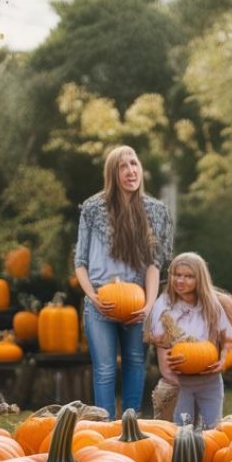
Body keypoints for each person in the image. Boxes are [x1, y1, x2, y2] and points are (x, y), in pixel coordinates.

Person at [74, 145, 173, 419]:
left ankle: (131, 424)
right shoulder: (93, 209)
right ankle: (103, 425)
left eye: (134, 164)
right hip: (100, 300)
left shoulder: (155, 211)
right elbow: (80, 261)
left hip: (137, 301)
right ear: (113, 173)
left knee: (135, 362)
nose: (131, 171)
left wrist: (149, 304)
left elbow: (155, 265)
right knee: (104, 369)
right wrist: (93, 296)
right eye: (123, 166)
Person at [144, 252, 232, 428]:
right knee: (183, 431)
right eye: (177, 275)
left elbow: (227, 338)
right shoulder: (163, 306)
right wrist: (172, 377)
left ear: (199, 279)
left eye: (188, 276)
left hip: (210, 380)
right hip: (180, 380)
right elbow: (162, 347)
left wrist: (222, 360)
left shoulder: (211, 304)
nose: (180, 280)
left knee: (213, 431)